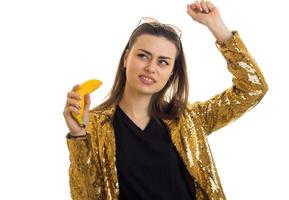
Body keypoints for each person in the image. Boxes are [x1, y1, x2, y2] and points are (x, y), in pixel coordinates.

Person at [63, 1, 269, 199]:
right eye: (143, 56)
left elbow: (252, 88)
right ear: (126, 58)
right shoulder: (94, 127)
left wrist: (218, 28)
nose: (151, 67)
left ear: (171, 72)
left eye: (163, 62)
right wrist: (78, 136)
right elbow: (86, 197)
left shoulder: (189, 120)